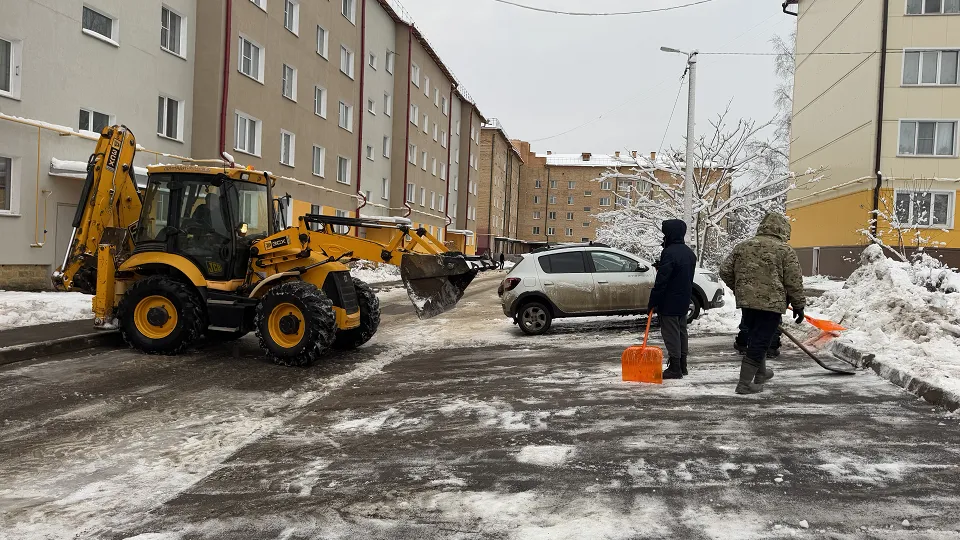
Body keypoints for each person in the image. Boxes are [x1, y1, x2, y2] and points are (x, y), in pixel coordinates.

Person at [720, 212, 805, 394]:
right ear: (782, 229)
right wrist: (798, 305)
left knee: (756, 338)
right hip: (771, 305)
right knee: (760, 341)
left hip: (747, 303)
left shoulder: (743, 246)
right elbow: (793, 281)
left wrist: (741, 288)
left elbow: (725, 270)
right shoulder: (784, 250)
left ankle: (761, 373)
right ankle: (744, 384)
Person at [648, 219, 697, 379]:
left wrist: (653, 301)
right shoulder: (689, 253)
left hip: (669, 301)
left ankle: (675, 368)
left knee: (671, 333)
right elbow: (681, 274)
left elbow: (662, 281)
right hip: (684, 299)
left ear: (670, 233)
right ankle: (683, 365)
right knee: (682, 331)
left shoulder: (669, 253)